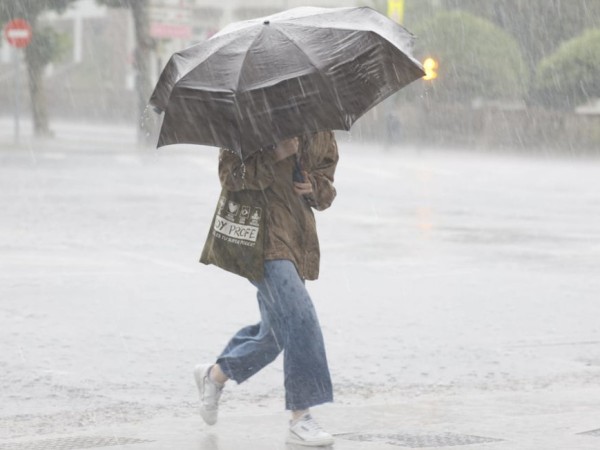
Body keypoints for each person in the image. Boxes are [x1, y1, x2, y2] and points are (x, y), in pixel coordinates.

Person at [195, 131, 339, 447]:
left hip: (296, 238)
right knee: (301, 317)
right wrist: (275, 154)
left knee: (277, 333)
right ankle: (302, 417)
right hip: (260, 239)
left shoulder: (318, 126)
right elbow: (230, 176)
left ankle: (215, 375)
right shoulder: (247, 120)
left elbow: (327, 186)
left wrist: (314, 187)